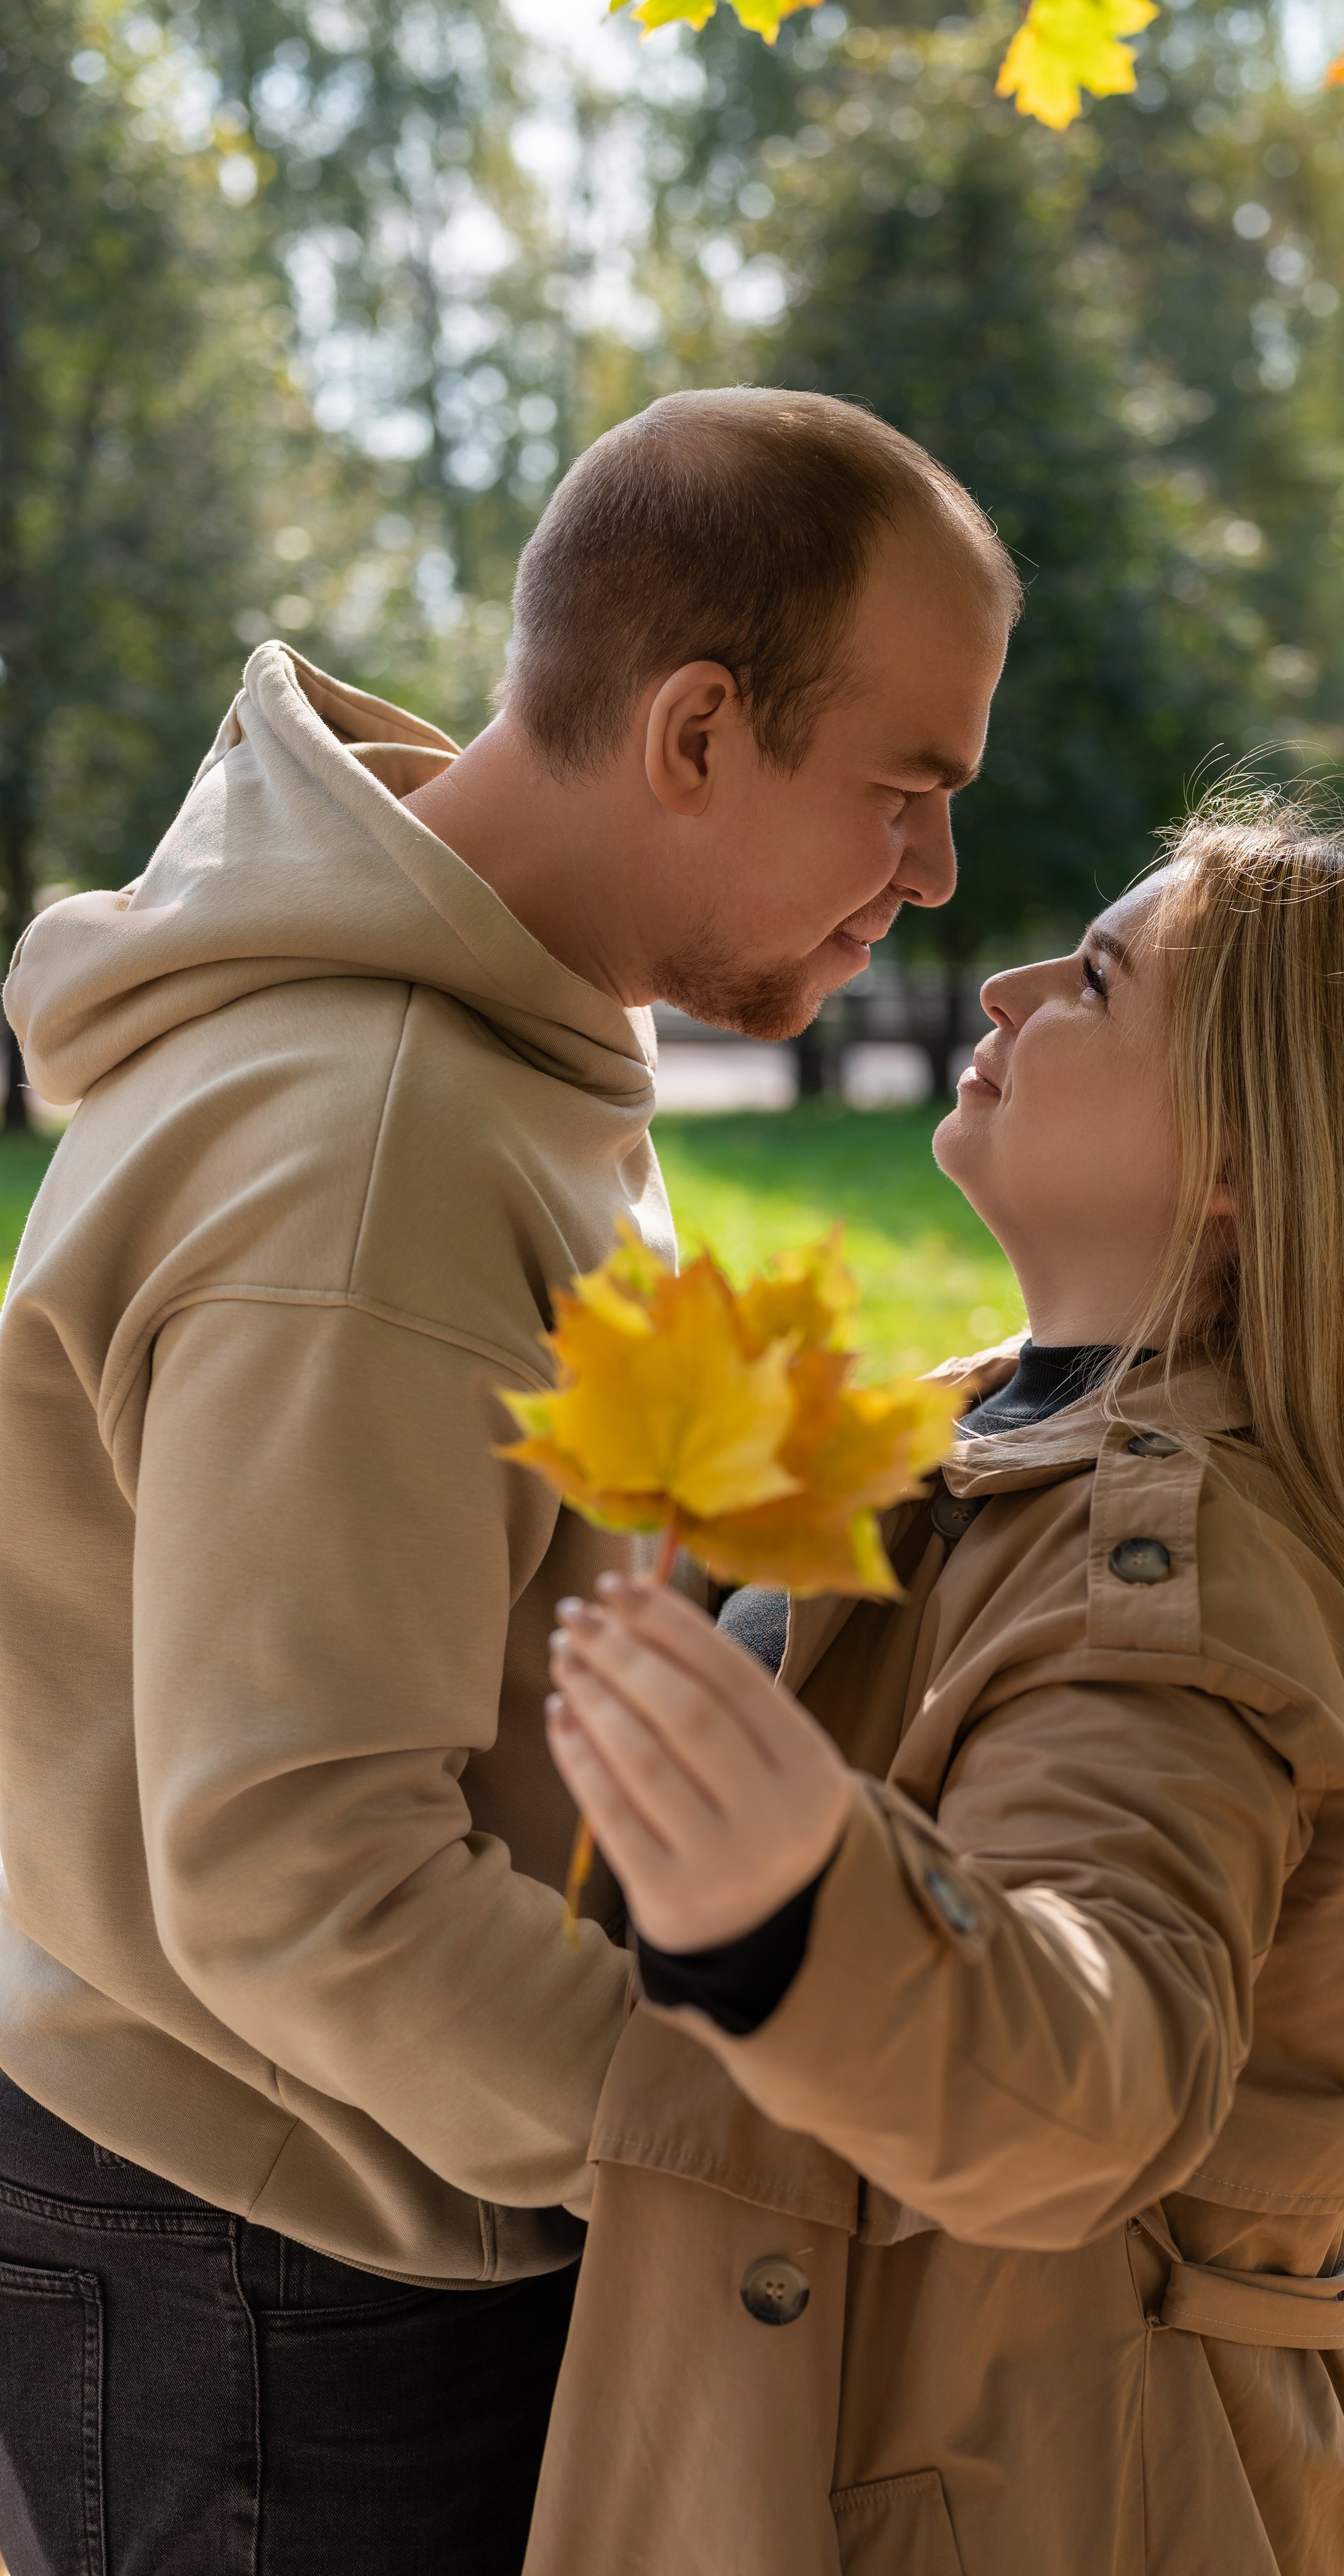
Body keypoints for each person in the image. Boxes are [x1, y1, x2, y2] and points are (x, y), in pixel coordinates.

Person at [0, 388, 1017, 2575]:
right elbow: (298, 1869)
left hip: (343, 2185)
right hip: (282, 2255)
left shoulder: (493, 1056)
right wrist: (759, 2141)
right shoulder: (375, 1146)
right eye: (907, 789)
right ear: (694, 731)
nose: (934, 872)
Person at [530, 796, 1344, 2576]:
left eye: (1092, 976)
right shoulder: (999, 1421)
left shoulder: (1169, 1579)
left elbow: (1093, 2060)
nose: (999, 984)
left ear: (1240, 1156)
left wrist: (797, 1904)